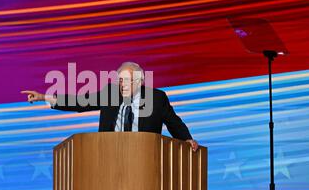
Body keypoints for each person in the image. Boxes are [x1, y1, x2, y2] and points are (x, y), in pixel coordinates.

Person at [21, 62, 199, 151]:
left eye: (127, 80)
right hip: (109, 156)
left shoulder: (157, 98)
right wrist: (44, 97)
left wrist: (187, 139)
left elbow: (173, 122)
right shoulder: (111, 94)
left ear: (140, 81)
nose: (123, 85)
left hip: (144, 158)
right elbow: (80, 102)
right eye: (120, 80)